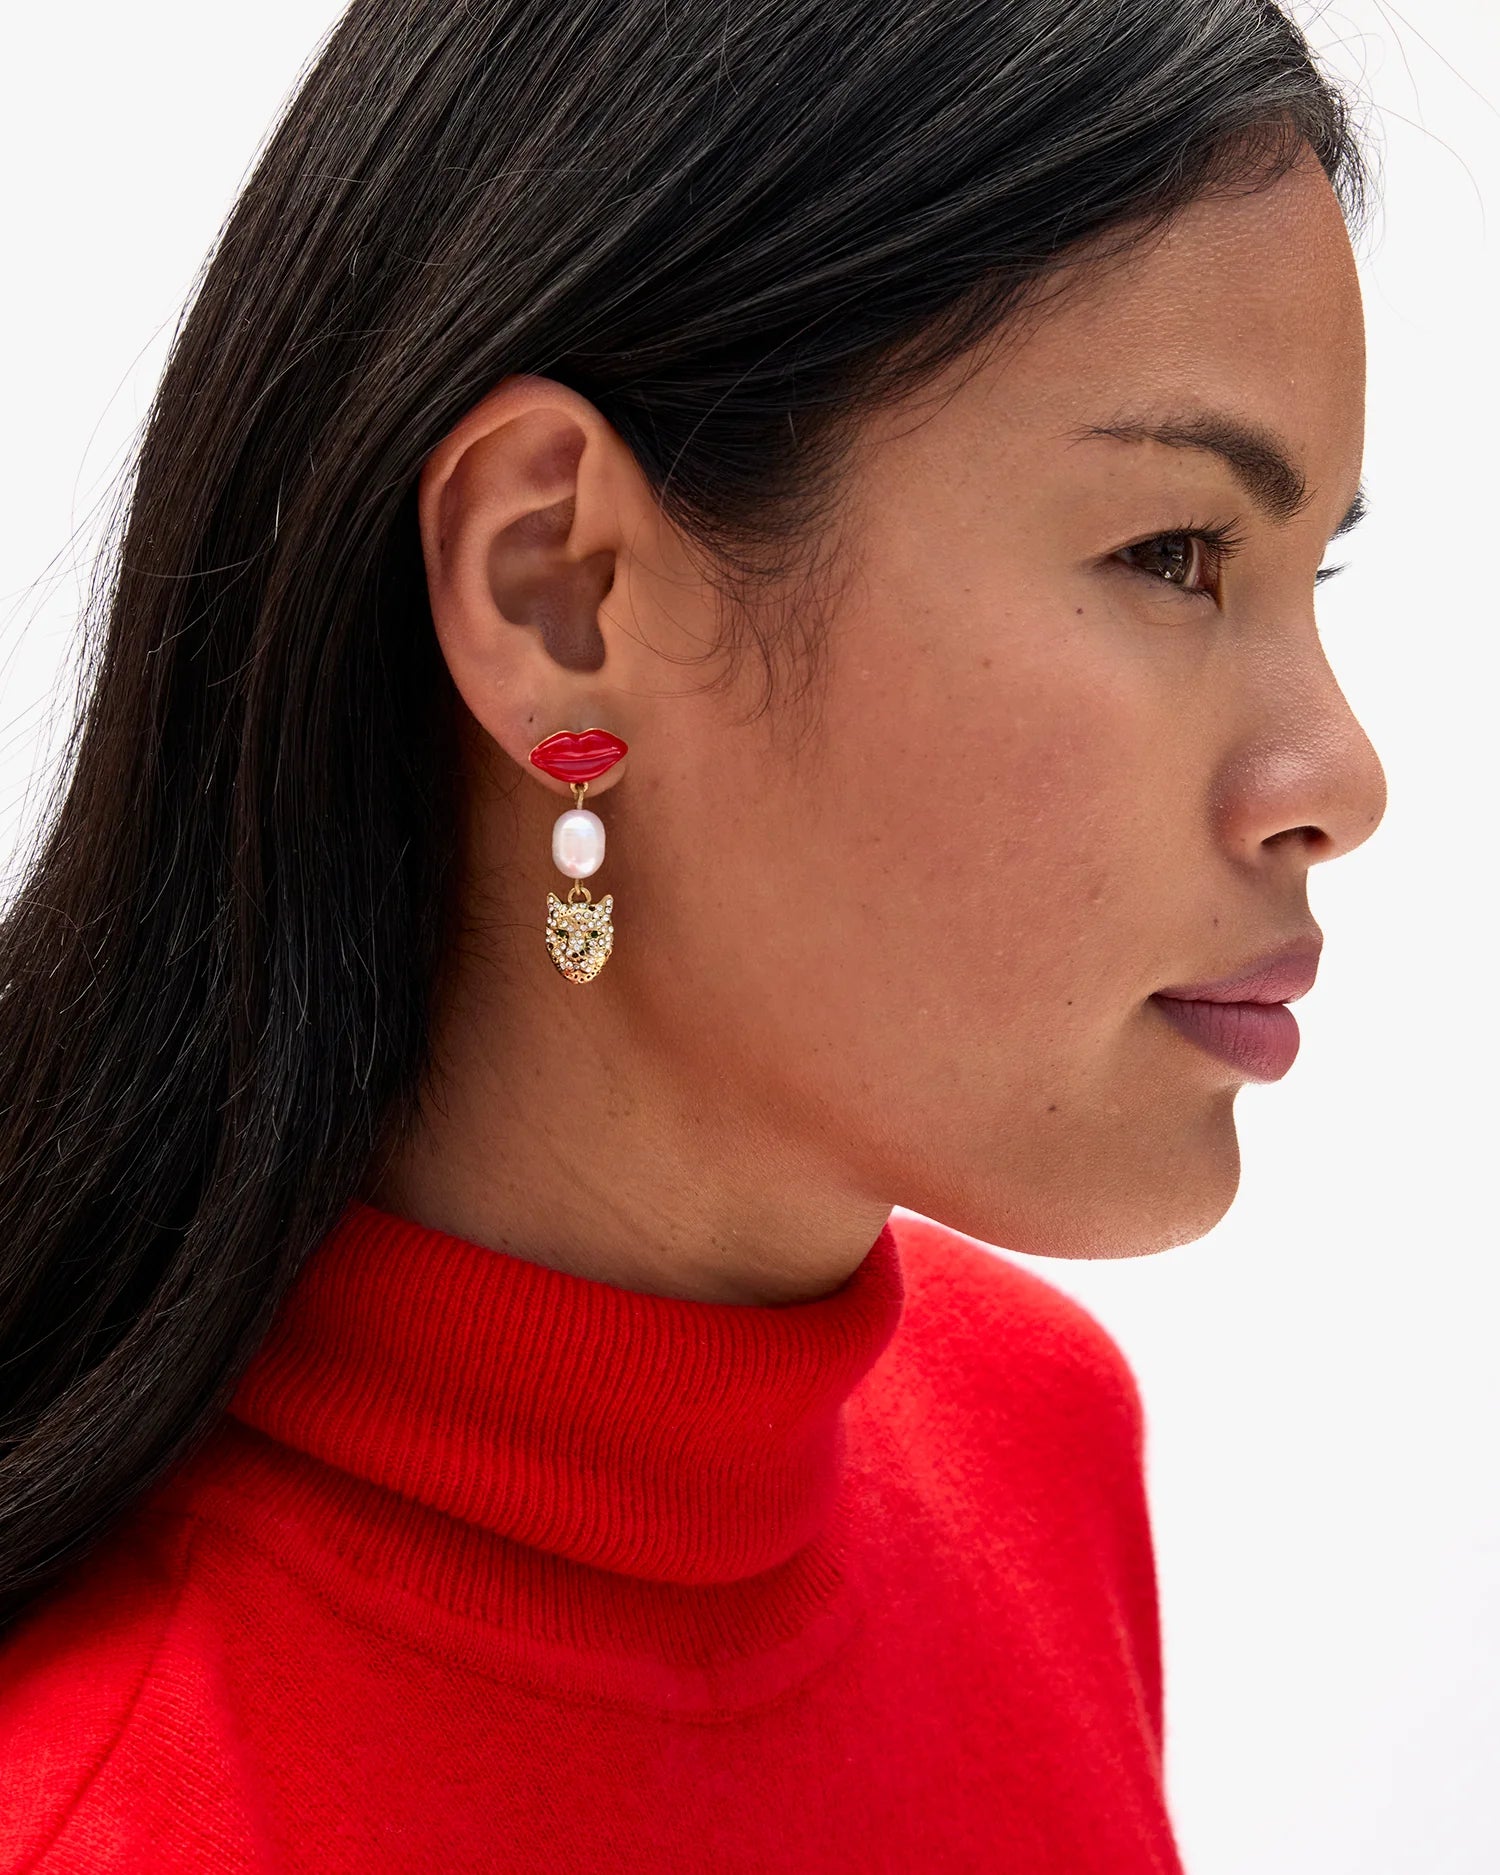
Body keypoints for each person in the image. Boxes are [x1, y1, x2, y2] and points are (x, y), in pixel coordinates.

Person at [0, 0, 1386, 1868]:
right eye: (1174, 555)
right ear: (557, 589)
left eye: (1317, 576)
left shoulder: (1028, 1444)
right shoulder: (113, 1804)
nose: (1340, 775)